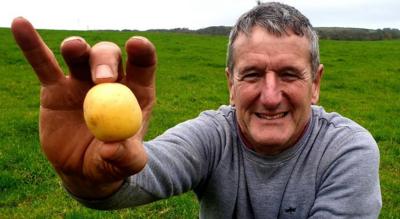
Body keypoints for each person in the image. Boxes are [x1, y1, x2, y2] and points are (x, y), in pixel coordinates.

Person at [11, 2, 381, 218]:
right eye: (251, 74)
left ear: (315, 84)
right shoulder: (214, 135)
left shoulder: (347, 150)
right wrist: (92, 177)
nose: (270, 96)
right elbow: (142, 171)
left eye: (289, 75)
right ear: (230, 85)